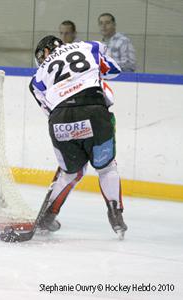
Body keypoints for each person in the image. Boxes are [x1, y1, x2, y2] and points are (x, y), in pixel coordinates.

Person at [29, 36, 128, 239]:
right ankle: (115, 215)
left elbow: (47, 109)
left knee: (69, 173)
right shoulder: (88, 46)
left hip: (59, 120)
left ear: (48, 51)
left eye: (41, 55)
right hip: (94, 110)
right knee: (106, 168)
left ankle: (46, 217)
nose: (40, 60)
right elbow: (114, 70)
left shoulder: (37, 77)